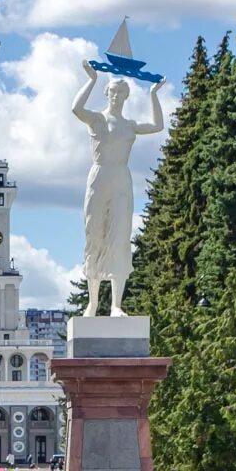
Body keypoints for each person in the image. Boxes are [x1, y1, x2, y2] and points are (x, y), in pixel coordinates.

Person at [72, 60, 164, 317]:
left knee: (120, 238)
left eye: (122, 94)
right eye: (113, 92)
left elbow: (157, 126)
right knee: (94, 236)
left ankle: (115, 305)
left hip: (121, 178)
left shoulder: (129, 125)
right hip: (99, 175)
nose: (117, 97)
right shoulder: (97, 119)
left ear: (126, 97)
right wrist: (91, 80)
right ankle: (92, 303)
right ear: (107, 93)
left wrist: (153, 94)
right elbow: (76, 108)